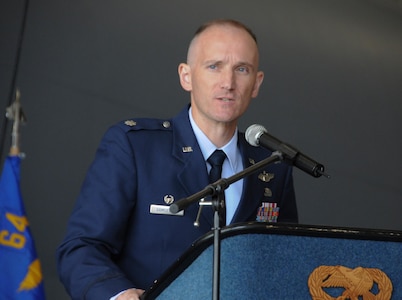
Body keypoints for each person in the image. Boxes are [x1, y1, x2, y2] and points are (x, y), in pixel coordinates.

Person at [56, 19, 298, 300]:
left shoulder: (272, 167)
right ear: (186, 76)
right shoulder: (135, 147)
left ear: (256, 83)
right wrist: (118, 295)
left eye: (241, 69)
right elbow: (81, 248)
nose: (228, 83)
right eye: (214, 66)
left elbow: (283, 266)